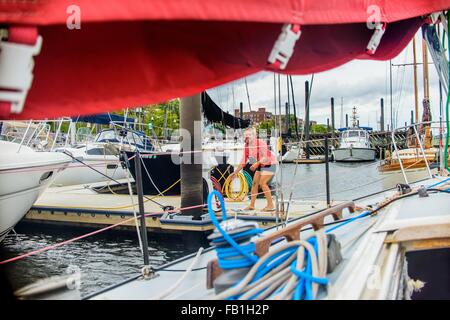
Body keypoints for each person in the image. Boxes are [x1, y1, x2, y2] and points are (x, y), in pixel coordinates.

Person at [231, 127, 278, 212]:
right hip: (260, 164)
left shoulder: (261, 143)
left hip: (270, 163)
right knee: (254, 184)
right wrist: (235, 172)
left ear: (254, 135)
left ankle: (271, 205)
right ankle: (252, 205)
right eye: (246, 135)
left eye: (249, 135)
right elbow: (244, 160)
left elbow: (266, 156)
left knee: (263, 183)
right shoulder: (246, 146)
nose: (247, 136)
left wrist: (256, 163)